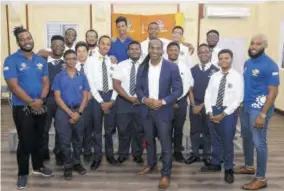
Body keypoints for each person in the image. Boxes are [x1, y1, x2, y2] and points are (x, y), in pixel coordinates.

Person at [3, 26, 54, 190]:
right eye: (22, 39)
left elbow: (46, 82)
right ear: (18, 42)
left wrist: (41, 99)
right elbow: (14, 86)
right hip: (22, 107)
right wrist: (32, 103)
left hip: (41, 104)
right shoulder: (11, 60)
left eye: (28, 38)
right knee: (25, 141)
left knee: (40, 138)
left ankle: (38, 167)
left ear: (32, 39)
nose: (26, 41)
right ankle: (23, 173)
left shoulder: (40, 60)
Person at [235, 34, 280, 190]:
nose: (253, 46)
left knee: (259, 142)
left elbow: (273, 92)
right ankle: (249, 166)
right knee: (246, 138)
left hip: (259, 109)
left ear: (264, 46)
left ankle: (261, 178)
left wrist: (262, 114)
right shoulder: (248, 63)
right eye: (252, 43)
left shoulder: (270, 65)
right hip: (245, 107)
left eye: (258, 44)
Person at [136, 38, 183, 190]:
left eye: (158, 48)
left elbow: (178, 90)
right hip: (147, 110)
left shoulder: (171, 67)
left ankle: (166, 174)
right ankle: (151, 164)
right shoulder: (142, 67)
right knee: (149, 141)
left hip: (164, 111)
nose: (155, 51)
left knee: (165, 144)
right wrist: (144, 99)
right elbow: (138, 89)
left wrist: (162, 101)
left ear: (162, 50)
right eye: (152, 48)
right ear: (148, 50)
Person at [202, 49, 243, 184]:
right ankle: (215, 163)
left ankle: (229, 169)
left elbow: (238, 99)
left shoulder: (237, 77)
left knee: (227, 140)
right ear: (218, 60)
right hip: (213, 110)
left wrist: (224, 114)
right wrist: (209, 111)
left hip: (228, 112)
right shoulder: (214, 76)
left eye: (226, 58)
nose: (223, 61)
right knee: (215, 138)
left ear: (231, 59)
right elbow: (208, 94)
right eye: (221, 58)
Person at [52, 49, 90, 180]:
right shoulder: (59, 77)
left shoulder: (82, 76)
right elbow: (57, 97)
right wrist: (70, 113)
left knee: (78, 140)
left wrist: (78, 113)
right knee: (64, 141)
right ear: (65, 60)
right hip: (63, 112)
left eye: (74, 58)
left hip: (79, 111)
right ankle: (68, 166)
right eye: (69, 58)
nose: (72, 61)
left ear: (77, 60)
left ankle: (77, 163)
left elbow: (85, 96)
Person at [84, 35, 118, 170]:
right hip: (96, 96)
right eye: (103, 43)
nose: (105, 46)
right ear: (98, 44)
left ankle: (110, 155)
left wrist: (112, 99)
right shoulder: (90, 60)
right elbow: (90, 82)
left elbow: (117, 82)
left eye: (108, 44)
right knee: (96, 130)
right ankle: (97, 157)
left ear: (110, 46)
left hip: (110, 95)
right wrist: (101, 101)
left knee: (109, 129)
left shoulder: (113, 62)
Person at [186, 43, 219, 165]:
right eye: (201, 52)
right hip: (195, 105)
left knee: (207, 131)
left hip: (209, 106)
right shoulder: (192, 70)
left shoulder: (216, 71)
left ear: (210, 54)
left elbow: (215, 92)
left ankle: (206, 155)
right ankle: (195, 154)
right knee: (194, 131)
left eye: (206, 51)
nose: (204, 54)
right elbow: (190, 89)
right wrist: (194, 106)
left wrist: (203, 105)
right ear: (198, 54)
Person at [112, 40, 144, 165]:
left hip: (141, 102)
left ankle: (137, 154)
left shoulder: (146, 65)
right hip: (123, 101)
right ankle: (123, 154)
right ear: (127, 51)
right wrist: (128, 97)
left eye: (137, 48)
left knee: (139, 131)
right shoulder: (121, 65)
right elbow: (116, 84)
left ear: (140, 51)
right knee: (123, 130)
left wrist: (140, 97)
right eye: (132, 49)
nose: (134, 51)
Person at [166, 42, 194, 163]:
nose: (173, 52)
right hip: (165, 102)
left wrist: (177, 99)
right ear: (167, 52)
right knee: (165, 130)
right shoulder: (162, 65)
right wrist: (170, 101)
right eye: (171, 50)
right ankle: (165, 153)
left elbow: (189, 84)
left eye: (175, 50)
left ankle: (178, 153)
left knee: (178, 129)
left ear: (179, 52)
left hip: (181, 101)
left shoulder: (184, 67)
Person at [43, 35, 66, 165]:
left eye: (60, 45)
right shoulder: (43, 62)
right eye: (55, 45)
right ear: (51, 47)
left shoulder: (68, 62)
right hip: (47, 100)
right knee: (44, 129)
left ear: (64, 47)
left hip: (61, 102)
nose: (58, 47)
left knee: (60, 129)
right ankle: (44, 152)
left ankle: (59, 154)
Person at [75, 41, 94, 163]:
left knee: (88, 128)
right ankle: (77, 152)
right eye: (79, 51)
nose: (81, 54)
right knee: (77, 129)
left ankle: (87, 151)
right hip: (77, 101)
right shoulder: (72, 66)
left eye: (84, 51)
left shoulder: (93, 65)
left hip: (90, 100)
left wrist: (89, 96)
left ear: (88, 52)